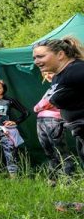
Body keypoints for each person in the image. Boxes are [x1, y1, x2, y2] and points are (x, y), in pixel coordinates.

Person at [33, 36, 84, 165]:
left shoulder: (76, 69)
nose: (36, 61)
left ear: (60, 54)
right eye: (35, 58)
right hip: (79, 132)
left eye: (41, 56)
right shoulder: (57, 77)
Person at [34, 71, 76, 184]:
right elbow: (37, 107)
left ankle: (70, 181)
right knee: (49, 153)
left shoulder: (63, 85)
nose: (47, 76)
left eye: (49, 73)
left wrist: (40, 106)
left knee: (61, 151)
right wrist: (39, 106)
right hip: (41, 120)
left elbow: (47, 104)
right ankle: (53, 180)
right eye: (44, 74)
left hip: (55, 120)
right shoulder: (50, 88)